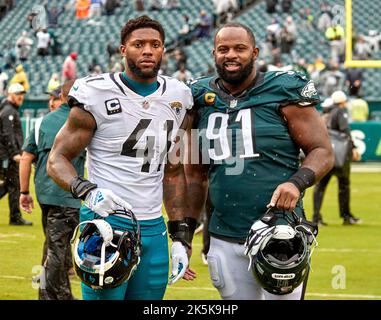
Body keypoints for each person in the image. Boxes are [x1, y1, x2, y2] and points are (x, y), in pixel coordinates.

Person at [47, 15, 196, 300]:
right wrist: (87, 192)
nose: (148, 50)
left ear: (164, 49)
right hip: (106, 222)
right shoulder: (95, 92)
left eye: (155, 44)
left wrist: (180, 235)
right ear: (123, 49)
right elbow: (57, 160)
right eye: (138, 44)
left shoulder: (179, 96)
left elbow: (174, 172)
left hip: (153, 227)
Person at [184, 22, 334, 300]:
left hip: (280, 233)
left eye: (240, 48)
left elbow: (323, 151)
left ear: (254, 52)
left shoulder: (284, 89)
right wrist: (185, 234)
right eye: (223, 49)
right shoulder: (199, 96)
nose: (231, 55)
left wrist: (295, 183)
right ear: (213, 53)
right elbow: (194, 173)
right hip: (223, 234)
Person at [19, 82, 85, 300]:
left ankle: (61, 294)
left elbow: (27, 157)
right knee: (58, 251)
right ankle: (45, 295)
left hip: (44, 192)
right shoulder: (82, 121)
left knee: (53, 246)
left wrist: (24, 191)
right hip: (66, 194)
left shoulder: (41, 123)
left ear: (61, 97)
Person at [313, 90, 361, 226]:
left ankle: (316, 217)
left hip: (326, 156)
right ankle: (346, 216)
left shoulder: (325, 113)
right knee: (344, 185)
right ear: (343, 101)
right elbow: (345, 131)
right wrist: (354, 147)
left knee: (320, 186)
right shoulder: (340, 112)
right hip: (339, 156)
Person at [0, 83, 32, 226]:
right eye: (18, 94)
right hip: (8, 156)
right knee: (13, 185)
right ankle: (15, 217)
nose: (21, 97)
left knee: (9, 185)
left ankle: (15, 217)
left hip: (7, 155)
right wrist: (14, 153)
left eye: (22, 94)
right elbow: (8, 135)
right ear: (11, 94)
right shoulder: (9, 111)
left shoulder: (9, 110)